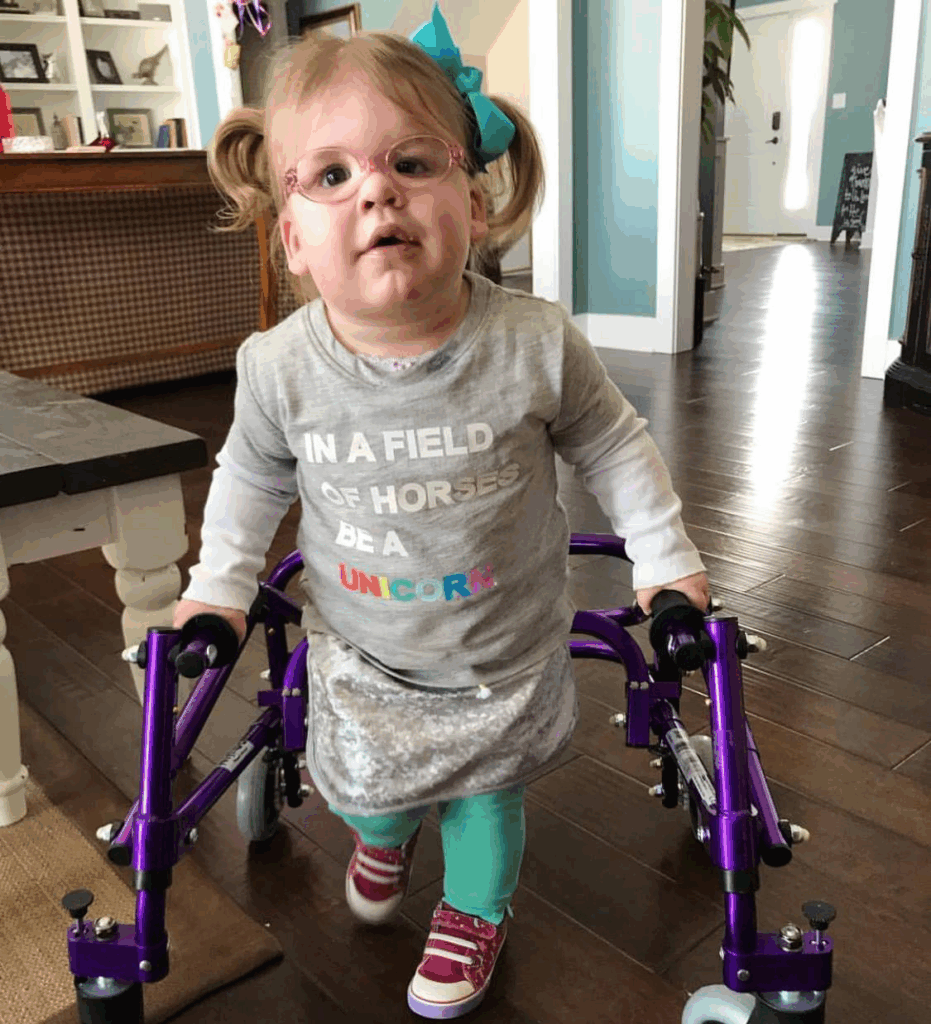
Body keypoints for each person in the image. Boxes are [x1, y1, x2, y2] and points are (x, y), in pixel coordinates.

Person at [172, 3, 709, 1017]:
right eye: (331, 176)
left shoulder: (535, 344)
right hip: (365, 644)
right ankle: (383, 832)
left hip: (497, 649)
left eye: (411, 163)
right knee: (365, 786)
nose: (375, 188)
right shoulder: (279, 369)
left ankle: (474, 910)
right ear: (291, 237)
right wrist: (215, 591)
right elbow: (248, 481)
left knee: (482, 794)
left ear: (475, 196)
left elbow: (613, 446)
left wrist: (665, 560)